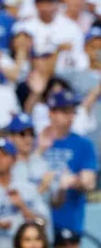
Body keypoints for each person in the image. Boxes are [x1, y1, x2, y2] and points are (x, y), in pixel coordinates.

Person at [42, 90, 97, 234]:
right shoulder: (37, 141)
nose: (70, 116)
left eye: (73, 111)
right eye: (65, 111)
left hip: (70, 220)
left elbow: (89, 182)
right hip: (38, 222)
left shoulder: (83, 144)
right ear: (51, 113)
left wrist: (72, 181)